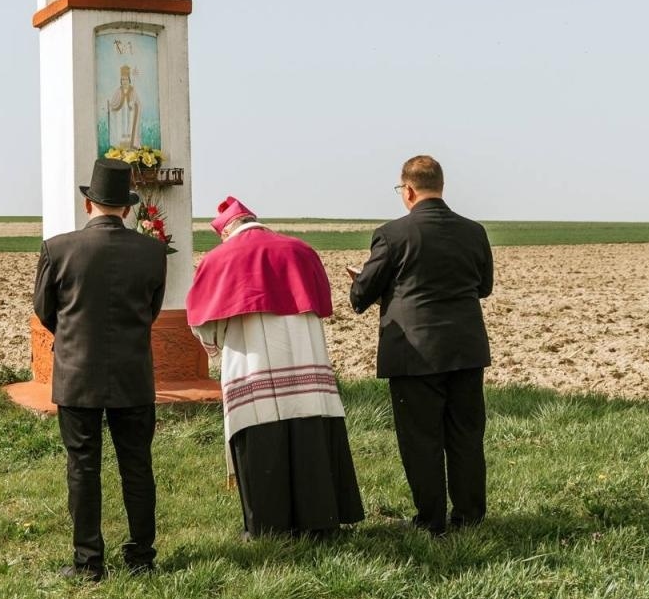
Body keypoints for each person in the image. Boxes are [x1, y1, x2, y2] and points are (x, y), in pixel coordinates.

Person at [187, 197, 363, 538]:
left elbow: (203, 321)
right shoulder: (301, 250)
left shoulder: (219, 259)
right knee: (310, 435)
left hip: (252, 361)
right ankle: (321, 521)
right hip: (304, 356)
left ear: (225, 232)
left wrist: (216, 344)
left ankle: (268, 526)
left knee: (261, 438)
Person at [32, 158, 167, 581]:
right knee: (137, 464)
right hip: (132, 373)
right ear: (127, 209)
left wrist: (74, 337)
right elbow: (152, 310)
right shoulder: (153, 251)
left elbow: (44, 310)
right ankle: (141, 557)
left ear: (89, 204)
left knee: (83, 466)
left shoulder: (58, 248)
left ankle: (88, 563)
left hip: (76, 372)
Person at [349, 156, 493, 536]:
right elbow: (484, 287)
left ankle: (430, 520)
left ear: (408, 190)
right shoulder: (474, 231)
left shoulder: (392, 234)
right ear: (440, 186)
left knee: (421, 440)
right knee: (465, 435)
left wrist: (360, 280)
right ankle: (470, 517)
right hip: (465, 349)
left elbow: (364, 292)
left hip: (413, 353)